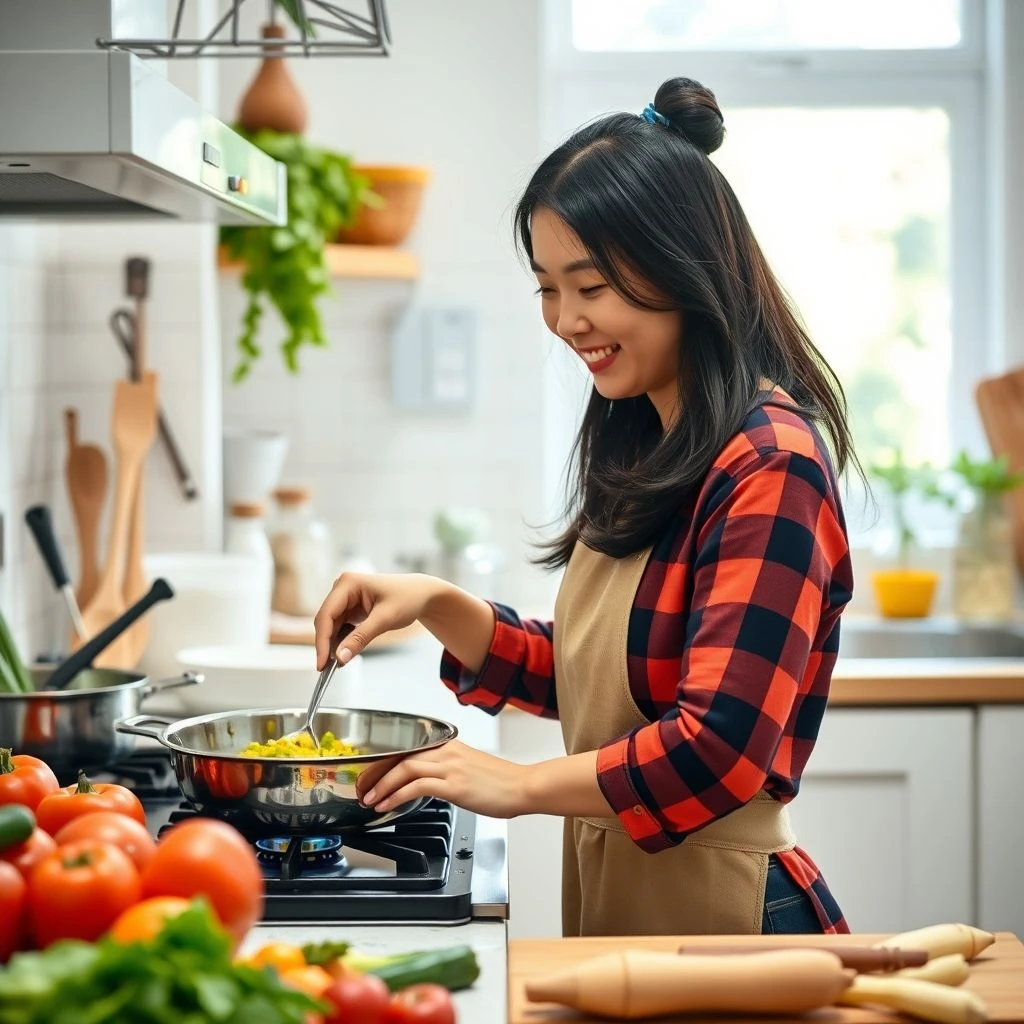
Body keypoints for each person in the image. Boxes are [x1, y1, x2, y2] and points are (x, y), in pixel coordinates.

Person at [314, 76, 857, 938]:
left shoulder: (771, 466)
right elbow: (614, 686)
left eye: (591, 285)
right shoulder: (653, 440)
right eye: (545, 288)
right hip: (630, 892)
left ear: (686, 269)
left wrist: (519, 787)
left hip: (729, 915)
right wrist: (436, 604)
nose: (566, 320)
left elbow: (717, 744)